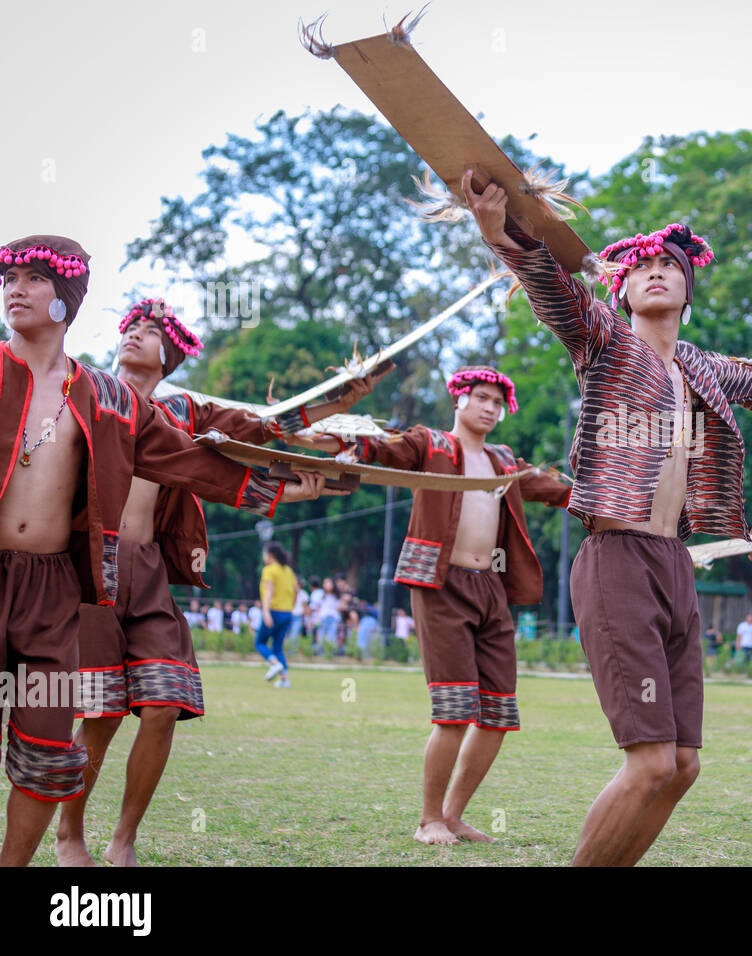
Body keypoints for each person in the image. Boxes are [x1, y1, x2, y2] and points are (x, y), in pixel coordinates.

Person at [464, 169, 752, 865]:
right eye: (642, 265)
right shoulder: (605, 344)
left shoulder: (703, 368)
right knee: (648, 763)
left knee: (681, 767)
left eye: (668, 266)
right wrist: (500, 231)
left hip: (675, 561)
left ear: (686, 286)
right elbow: (554, 291)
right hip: (616, 558)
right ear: (621, 288)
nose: (654, 271)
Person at [1, 238, 329, 867]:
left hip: (54, 589)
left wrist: (280, 489)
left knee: (45, 750)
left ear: (65, 302)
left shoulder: (109, 401)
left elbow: (194, 461)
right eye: (9, 277)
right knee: (73, 720)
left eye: (34, 277)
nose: (15, 287)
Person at [346, 364, 570, 845]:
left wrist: (605, 495)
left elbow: (552, 489)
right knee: (453, 710)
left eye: (497, 402)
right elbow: (383, 450)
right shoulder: (430, 445)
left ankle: (452, 815)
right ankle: (428, 819)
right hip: (439, 583)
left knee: (499, 713)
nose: (490, 408)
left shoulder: (503, 459)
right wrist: (340, 437)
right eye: (481, 398)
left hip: (491, 587)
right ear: (458, 399)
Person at [257, 544, 299, 688]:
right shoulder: (288, 571)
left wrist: (266, 611)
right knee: (278, 647)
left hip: (274, 611)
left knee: (260, 643)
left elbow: (269, 591)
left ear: (270, 555)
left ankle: (274, 664)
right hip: (287, 612)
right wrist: (291, 606)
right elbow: (296, 590)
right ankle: (285, 680)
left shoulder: (269, 570)